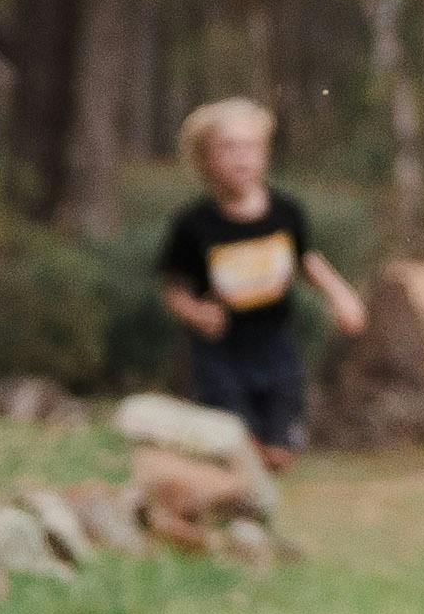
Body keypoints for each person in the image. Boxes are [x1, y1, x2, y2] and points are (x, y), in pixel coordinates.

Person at [150, 96, 367, 454]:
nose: (242, 157)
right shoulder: (194, 225)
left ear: (265, 153)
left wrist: (341, 295)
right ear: (204, 159)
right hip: (219, 354)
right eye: (229, 148)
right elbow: (173, 289)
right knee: (238, 444)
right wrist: (197, 313)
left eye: (251, 147)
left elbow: (305, 260)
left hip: (275, 345)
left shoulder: (284, 212)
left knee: (280, 449)